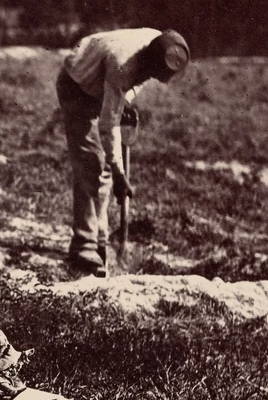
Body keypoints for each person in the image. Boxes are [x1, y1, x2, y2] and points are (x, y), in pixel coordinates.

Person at [57, 28, 190, 276]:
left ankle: (100, 239)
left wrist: (123, 104)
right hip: (76, 85)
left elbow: (129, 85)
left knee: (104, 168)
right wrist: (120, 173)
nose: (160, 80)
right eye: (158, 75)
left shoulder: (160, 43)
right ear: (150, 62)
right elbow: (109, 124)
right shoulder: (123, 65)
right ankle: (83, 246)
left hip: (102, 85)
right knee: (90, 165)